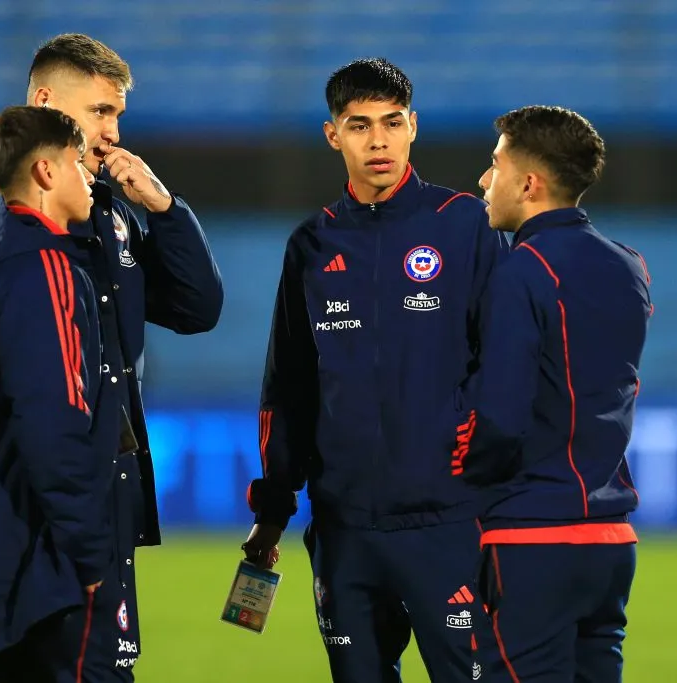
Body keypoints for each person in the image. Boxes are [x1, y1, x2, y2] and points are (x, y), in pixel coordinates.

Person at [0, 34, 224, 680]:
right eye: (98, 113)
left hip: (87, 503)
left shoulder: (104, 210)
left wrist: (164, 209)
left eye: (118, 115)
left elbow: (198, 307)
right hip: (39, 513)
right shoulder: (0, 209)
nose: (113, 133)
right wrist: (84, 538)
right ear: (45, 103)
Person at [241, 58, 509, 683]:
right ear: (333, 135)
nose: (379, 140)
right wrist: (275, 506)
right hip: (345, 530)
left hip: (451, 524)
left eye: (392, 123)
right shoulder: (311, 244)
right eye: (359, 125)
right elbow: (288, 385)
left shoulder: (464, 222)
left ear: (414, 126)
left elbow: (506, 362)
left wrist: (489, 476)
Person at [0, 105, 125, 682]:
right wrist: (89, 553)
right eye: (76, 164)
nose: (90, 177)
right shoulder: (48, 269)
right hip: (44, 568)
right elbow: (55, 425)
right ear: (44, 173)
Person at [459, 105, 651, 682]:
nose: (483, 180)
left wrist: (454, 479)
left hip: (533, 537)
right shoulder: (630, 265)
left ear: (528, 183)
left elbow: (499, 415)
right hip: (610, 540)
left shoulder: (522, 269)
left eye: (494, 165)